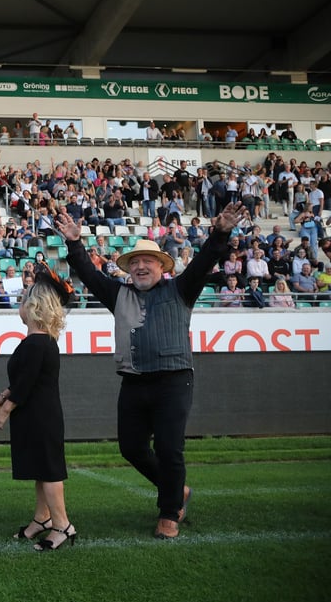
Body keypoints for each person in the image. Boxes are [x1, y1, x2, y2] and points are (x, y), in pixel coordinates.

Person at [55, 203, 248, 540]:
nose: (141, 266)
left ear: (162, 266)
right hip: (133, 382)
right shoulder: (118, 294)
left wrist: (221, 233)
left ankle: (169, 512)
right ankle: (177, 490)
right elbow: (87, 272)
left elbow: (205, 260)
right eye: (135, 263)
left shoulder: (182, 289)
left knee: (170, 448)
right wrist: (74, 242)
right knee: (131, 448)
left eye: (148, 261)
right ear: (129, 269)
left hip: (174, 380)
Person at [0, 264, 77, 551]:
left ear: (34, 306)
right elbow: (25, 380)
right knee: (41, 470)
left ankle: (62, 525)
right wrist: (3, 395)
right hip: (35, 415)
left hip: (41, 417)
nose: (20, 304)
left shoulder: (39, 343)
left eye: (24, 299)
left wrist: (4, 410)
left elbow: (26, 385)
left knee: (50, 472)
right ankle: (42, 519)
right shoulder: (37, 342)